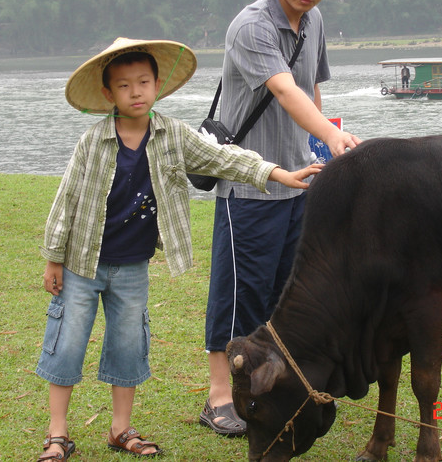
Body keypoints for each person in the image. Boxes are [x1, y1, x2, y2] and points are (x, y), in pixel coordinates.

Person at [35, 37, 323, 461]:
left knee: (129, 345)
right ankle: (56, 433)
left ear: (157, 86)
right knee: (67, 341)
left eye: (144, 82)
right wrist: (53, 257)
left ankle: (120, 429)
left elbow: (226, 159)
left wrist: (278, 173)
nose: (136, 92)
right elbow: (67, 200)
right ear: (108, 94)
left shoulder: (173, 135)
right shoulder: (92, 143)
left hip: (132, 266)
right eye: (125, 85)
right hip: (82, 263)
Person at [201, 0, 361, 437]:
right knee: (239, 297)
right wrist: (334, 142)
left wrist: (326, 148)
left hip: (299, 185)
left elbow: (312, 90)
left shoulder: (313, 21)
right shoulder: (251, 27)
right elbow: (286, 91)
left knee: (282, 295)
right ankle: (220, 398)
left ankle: (270, 391)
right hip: (248, 187)